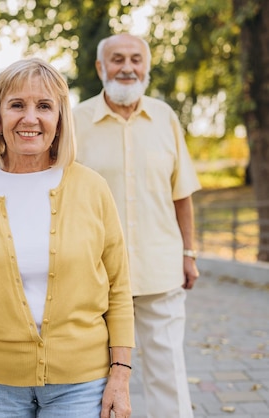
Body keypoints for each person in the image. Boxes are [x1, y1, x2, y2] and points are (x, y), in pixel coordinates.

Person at [0, 58, 135, 418]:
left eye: (44, 106)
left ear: (60, 119)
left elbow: (118, 287)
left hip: (82, 380)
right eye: (16, 105)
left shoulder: (92, 188)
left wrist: (120, 373)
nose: (30, 118)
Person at [73, 33, 202, 418]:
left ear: (146, 67)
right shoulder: (75, 120)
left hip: (160, 271)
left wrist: (189, 253)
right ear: (100, 68)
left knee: (168, 375)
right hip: (96, 276)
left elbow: (182, 194)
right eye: (116, 59)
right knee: (97, 379)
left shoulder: (165, 117)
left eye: (135, 59)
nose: (127, 67)